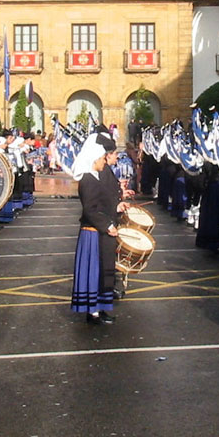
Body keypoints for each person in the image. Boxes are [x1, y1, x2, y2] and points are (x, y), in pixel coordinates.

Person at [70, 132, 125, 324]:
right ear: (95, 158)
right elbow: (91, 209)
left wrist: (115, 208)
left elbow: (102, 203)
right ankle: (92, 312)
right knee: (94, 273)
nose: (104, 161)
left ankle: (99, 308)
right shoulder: (88, 179)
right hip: (93, 234)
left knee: (103, 272)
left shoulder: (95, 177)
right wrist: (108, 225)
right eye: (102, 158)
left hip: (99, 232)